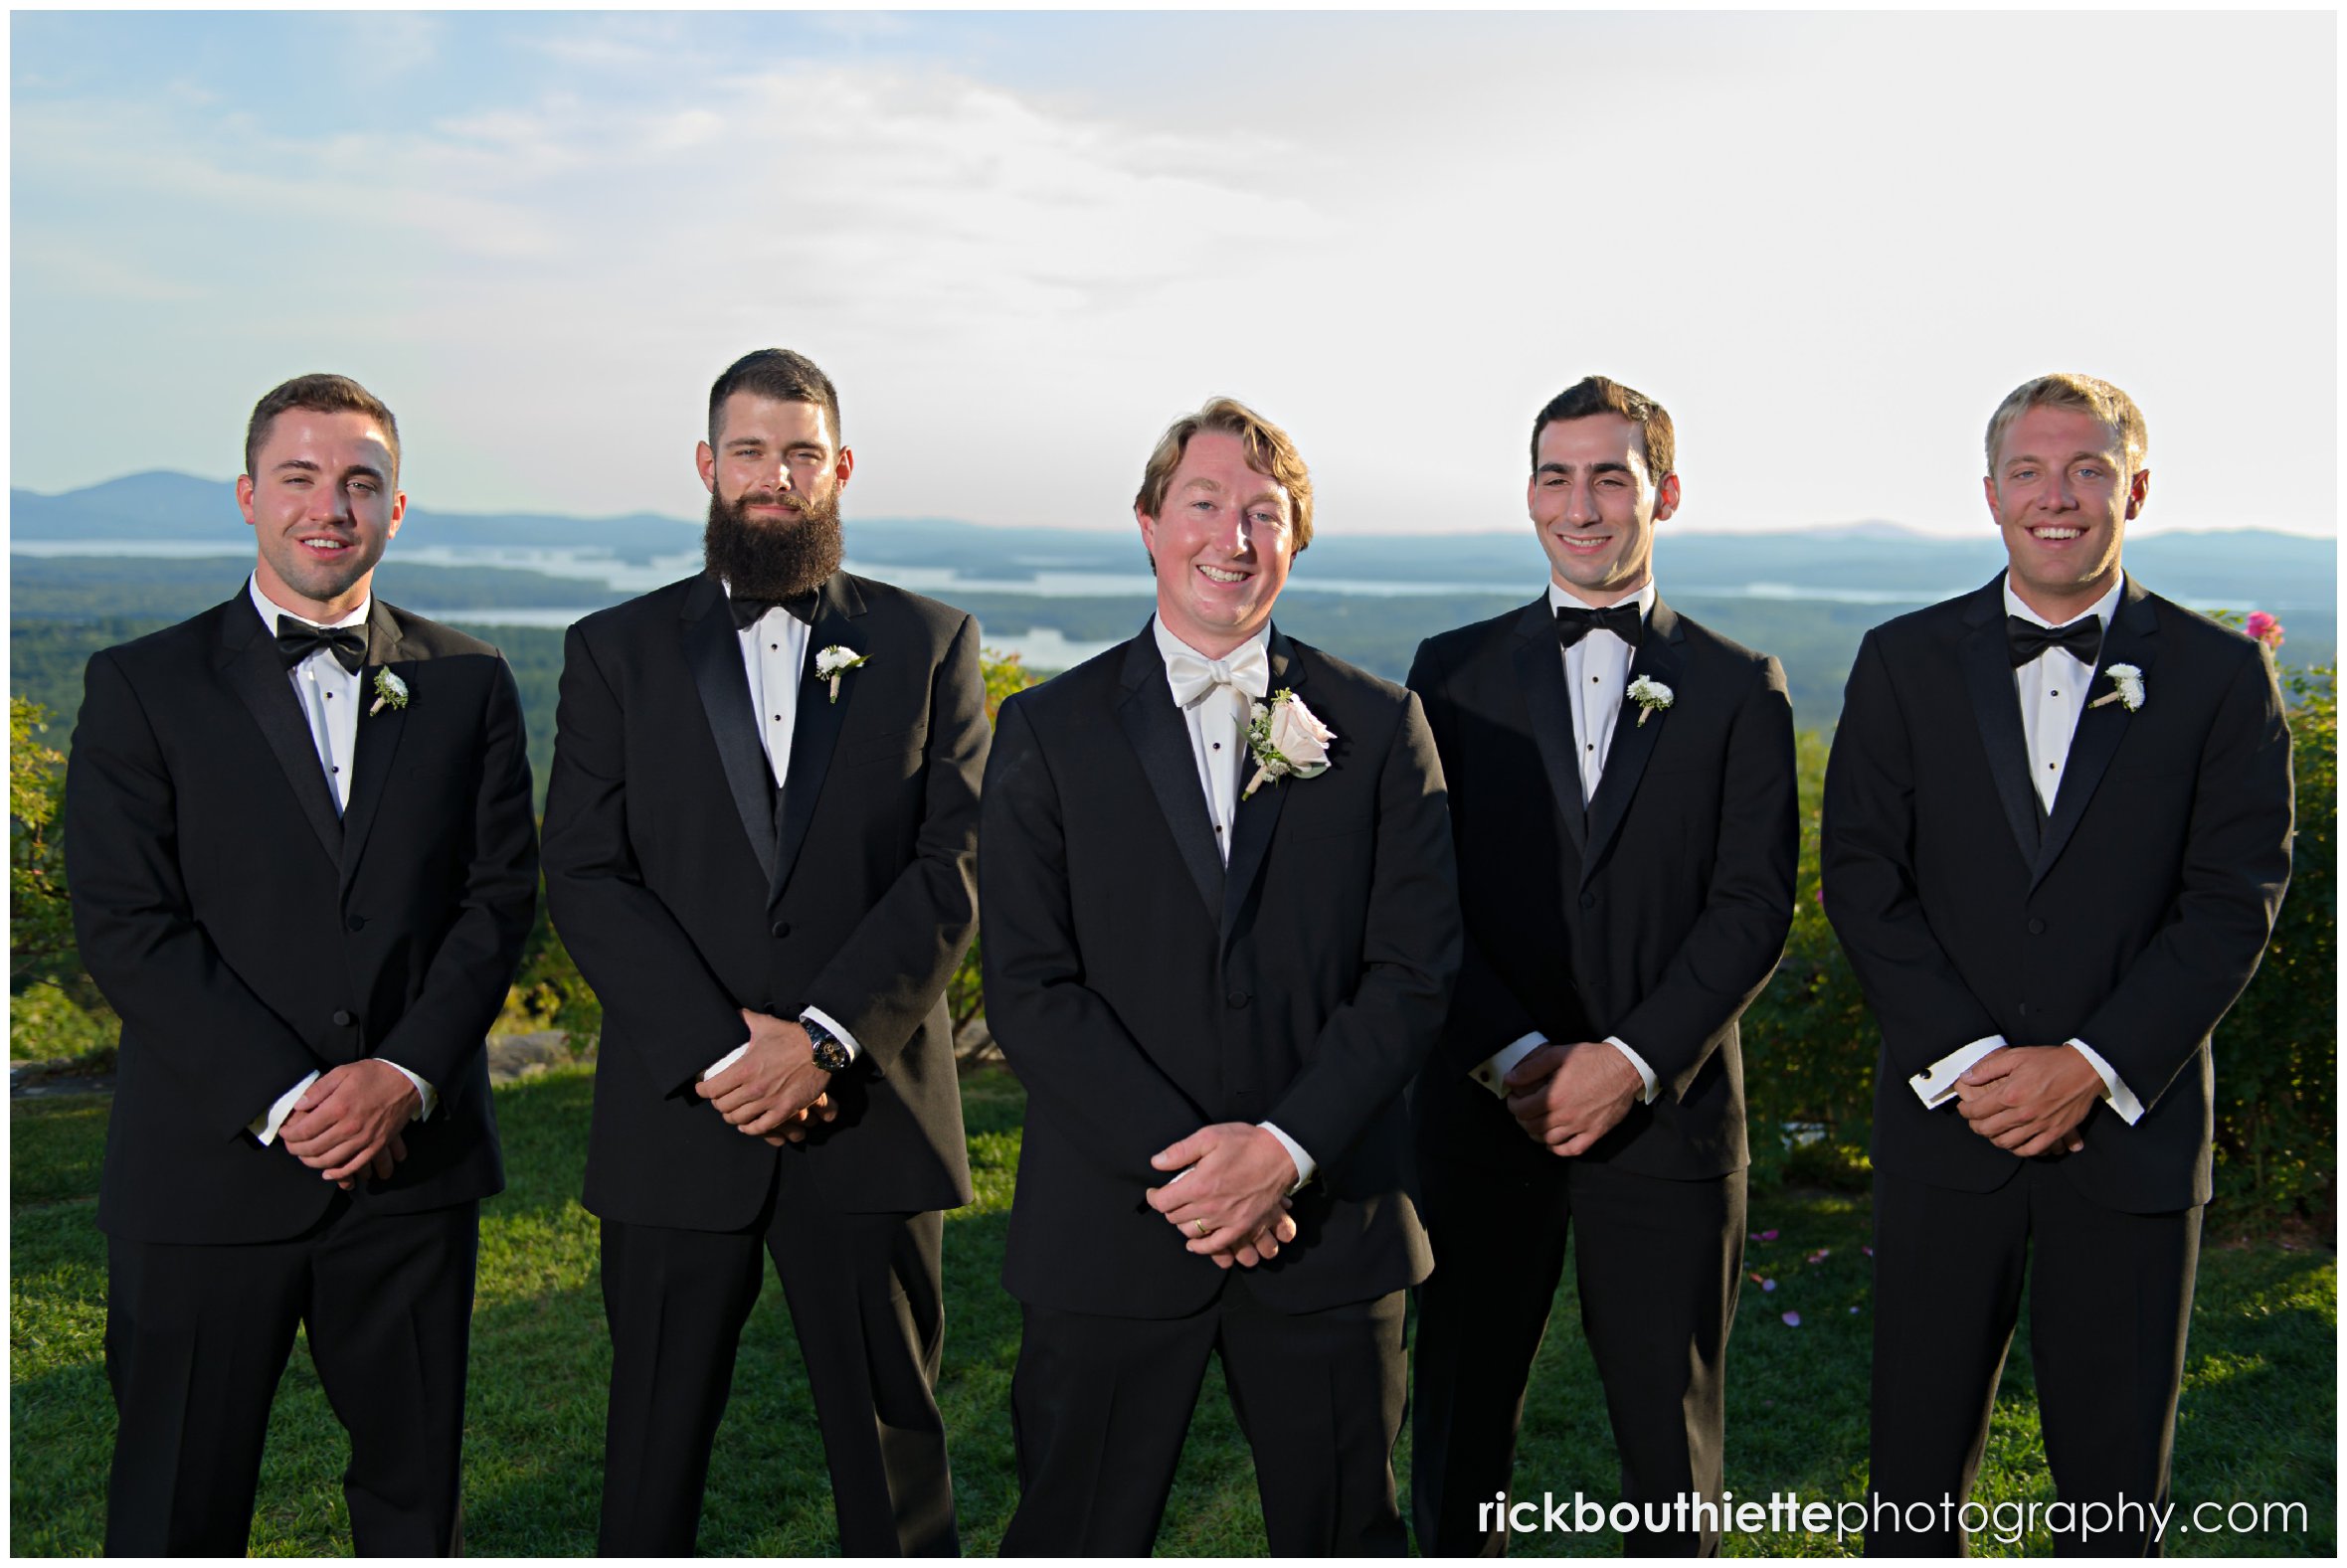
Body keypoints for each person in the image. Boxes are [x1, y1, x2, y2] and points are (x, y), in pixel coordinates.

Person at [65, 373, 538, 1555]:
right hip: (203, 1175)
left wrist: (405, 1075)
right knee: (177, 1506)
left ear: (396, 507)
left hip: (410, 1174)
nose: (330, 505)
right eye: (300, 477)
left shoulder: (468, 680)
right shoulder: (141, 686)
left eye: (359, 482)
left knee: (409, 1506)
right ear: (247, 495)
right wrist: (288, 1098)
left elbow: (495, 901)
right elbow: (130, 922)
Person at [979, 396, 1461, 1555]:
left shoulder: (1381, 724)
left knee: (1347, 1535)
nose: (1231, 537)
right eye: (1203, 503)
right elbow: (1031, 986)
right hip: (1113, 1223)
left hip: (1329, 1226)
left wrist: (1280, 1153)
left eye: (1264, 512)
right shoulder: (1045, 730)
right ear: (1148, 523)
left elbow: (1412, 972)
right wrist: (1200, 1174)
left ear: (1295, 541)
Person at [1821, 373, 2293, 1554]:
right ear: (1988, 495)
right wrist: (1979, 1062)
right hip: (1947, 1126)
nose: (2057, 497)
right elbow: (1862, 883)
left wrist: (2088, 1062)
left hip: (2129, 1133)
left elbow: (2230, 903)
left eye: (2087, 469)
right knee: (1911, 1482)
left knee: (2111, 1486)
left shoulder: (2219, 677)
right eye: (2028, 471)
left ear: (2133, 487)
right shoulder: (1900, 660)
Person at [541, 348, 989, 1556]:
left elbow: (952, 862)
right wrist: (720, 1052)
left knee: (894, 1462)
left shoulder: (931, 641)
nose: (773, 475)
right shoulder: (612, 651)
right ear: (706, 465)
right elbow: (584, 870)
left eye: (800, 453)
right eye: (749, 451)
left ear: (839, 468)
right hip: (680, 1120)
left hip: (872, 1112)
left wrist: (826, 1039)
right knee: (648, 1457)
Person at [1404, 376, 1798, 1555]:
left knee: (1669, 1456)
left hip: (1665, 1118)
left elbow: (1749, 906)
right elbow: (1420, 898)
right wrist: (1516, 1053)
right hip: (1482, 1110)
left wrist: (1626, 1062)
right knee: (1456, 1432)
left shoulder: (1740, 686)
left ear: (1661, 493)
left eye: (1609, 475)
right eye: (1554, 474)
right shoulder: (1449, 671)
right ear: (1528, 492)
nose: (1579, 504)